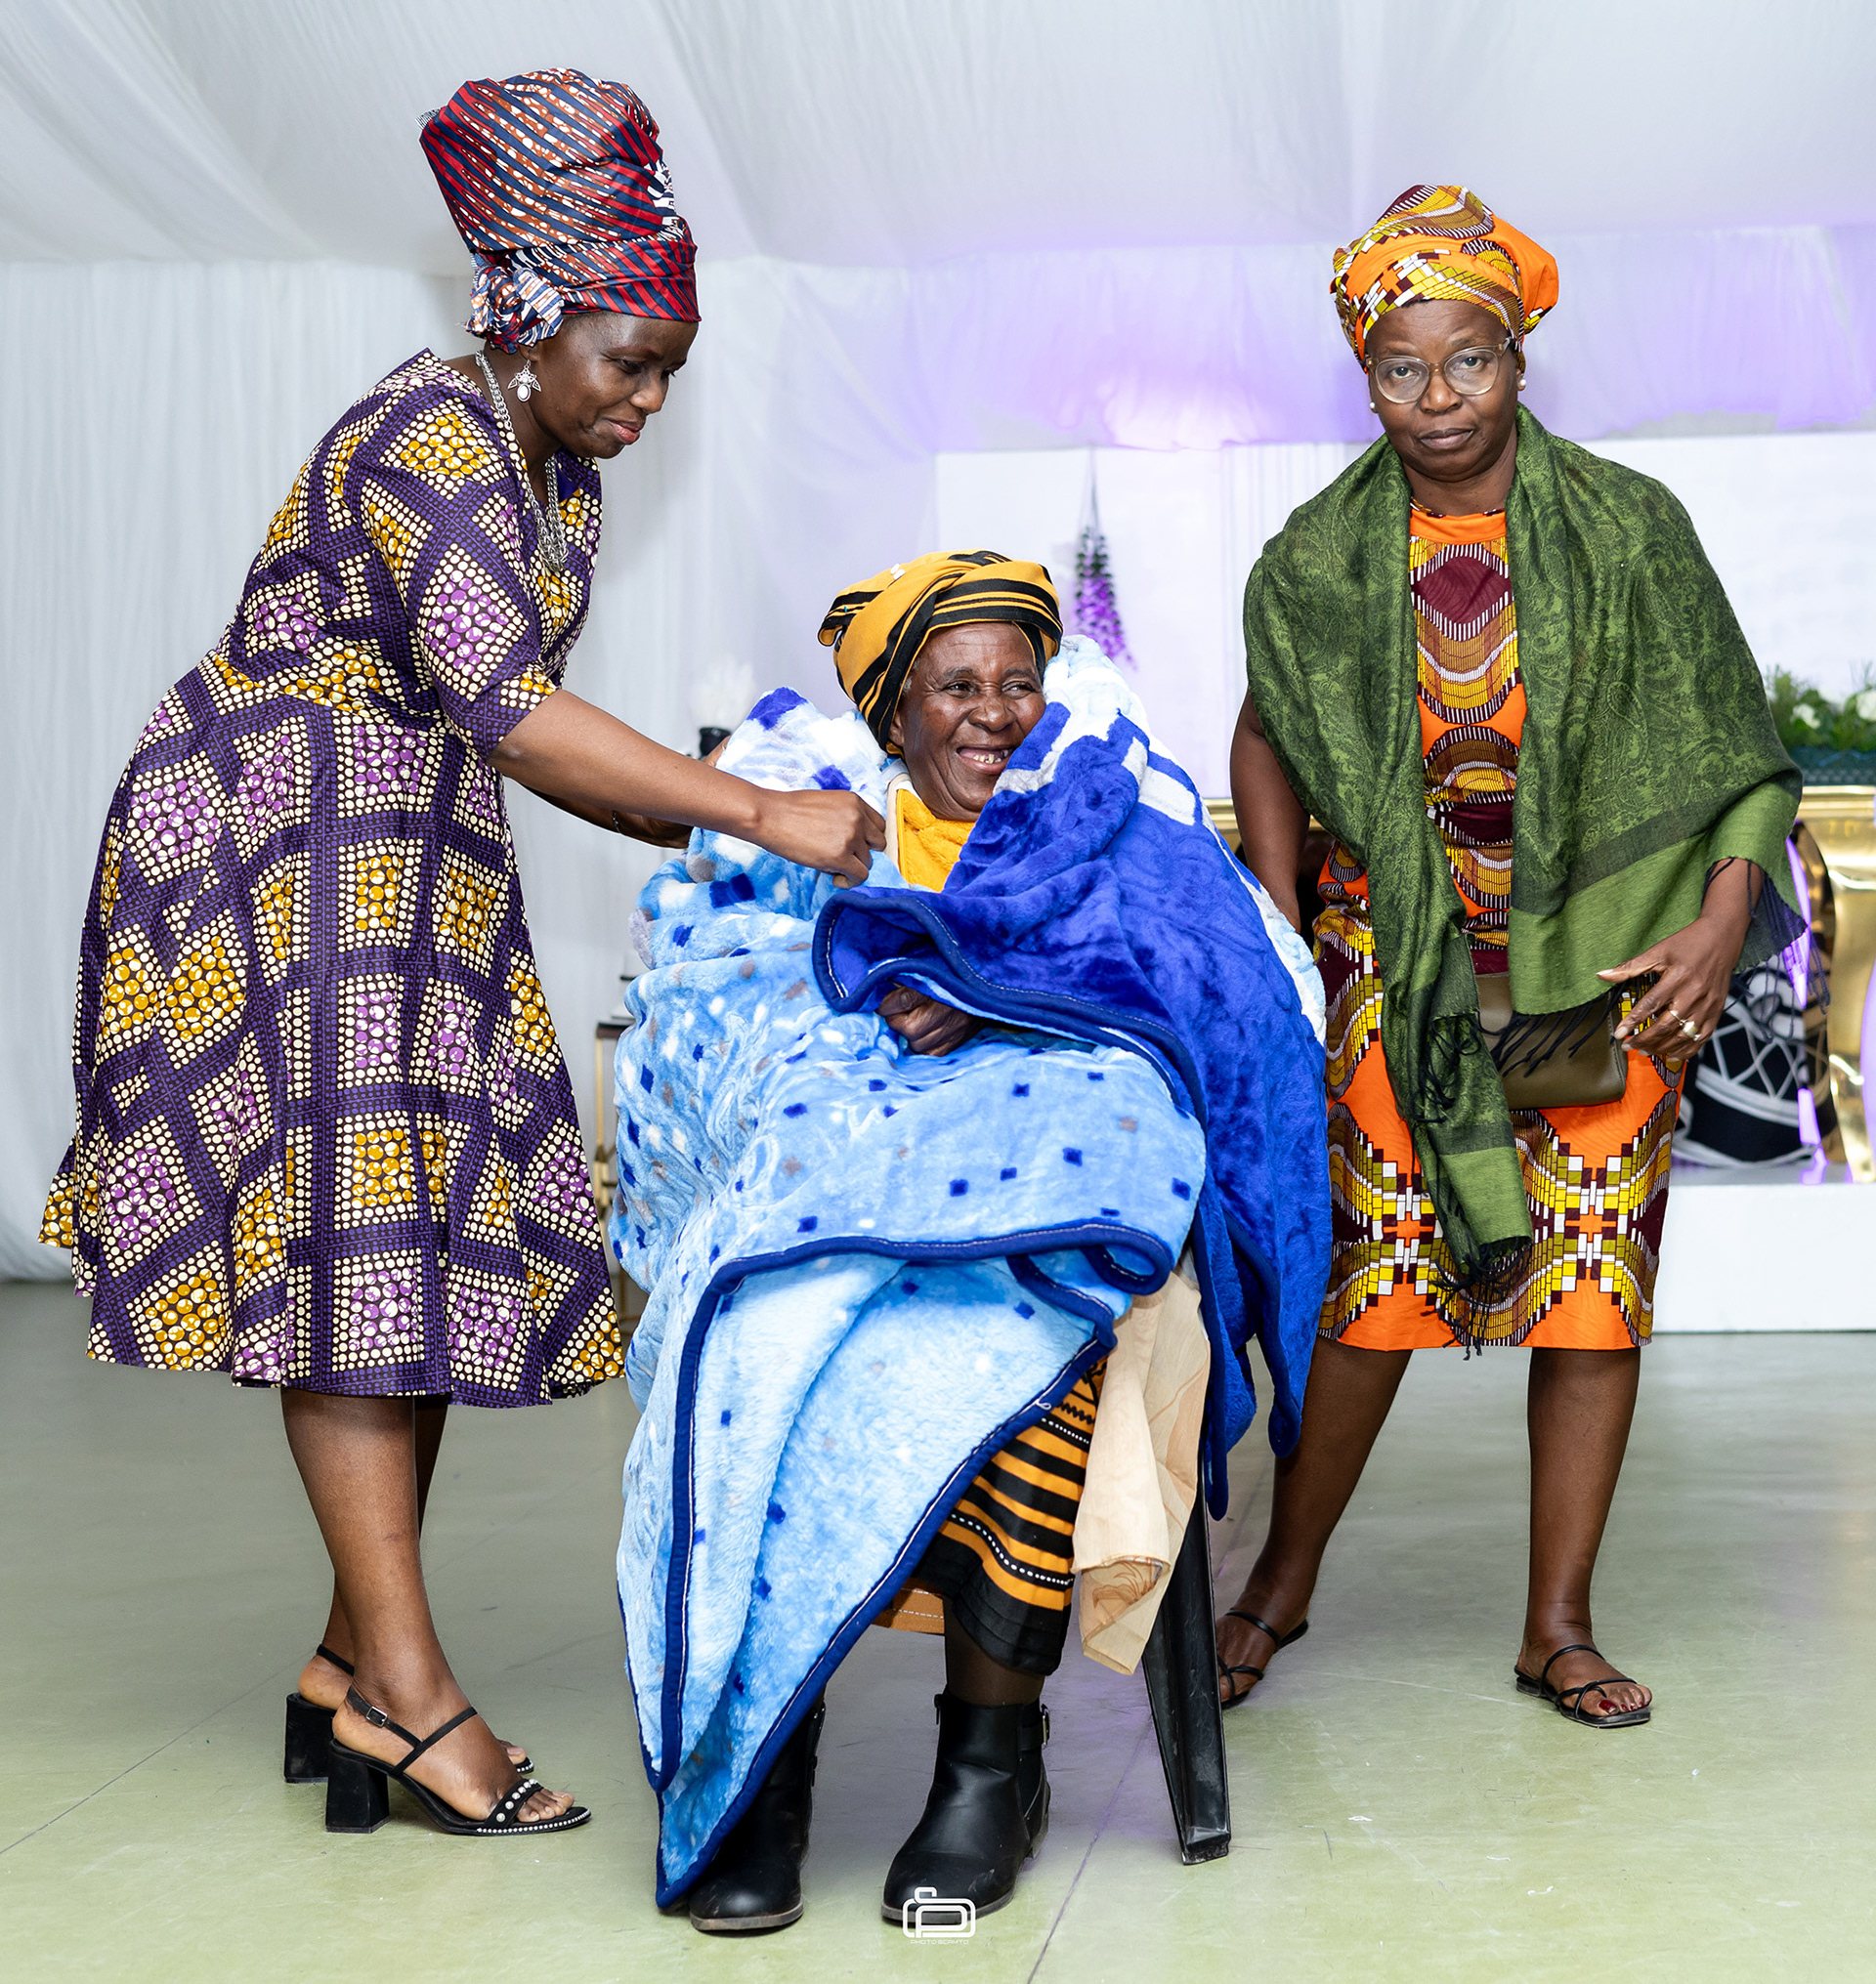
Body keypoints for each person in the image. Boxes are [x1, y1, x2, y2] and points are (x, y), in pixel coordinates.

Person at [39, 68, 880, 1841]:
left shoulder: (554, 469)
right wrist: (755, 813)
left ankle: (347, 1668)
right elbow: (513, 709)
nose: (647, 400)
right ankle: (411, 1701)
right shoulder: (428, 436)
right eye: (627, 362)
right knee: (357, 1267)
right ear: (524, 317)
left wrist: (724, 824)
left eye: (671, 370)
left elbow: (530, 738)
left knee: (414, 1254)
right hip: (277, 850)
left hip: (407, 851)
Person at [612, 553, 1328, 1928]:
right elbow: (724, 1022)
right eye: (955, 687)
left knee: (1034, 1350)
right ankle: (761, 1768)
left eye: (1017, 682)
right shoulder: (820, 846)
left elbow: (1234, 995)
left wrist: (1004, 992)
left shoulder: (1113, 828)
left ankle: (988, 1766)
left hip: (1038, 1239)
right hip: (841, 1222)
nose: (994, 712)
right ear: (893, 716)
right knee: (761, 1353)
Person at [1218, 186, 1801, 1730]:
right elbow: (1268, 728)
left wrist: (1719, 920)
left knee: (1594, 1285)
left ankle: (1559, 1628)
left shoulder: (1629, 529)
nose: (1437, 398)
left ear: (1518, 355)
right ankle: (1278, 1582)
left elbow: (1742, 757)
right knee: (1377, 1283)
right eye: (1399, 368)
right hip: (1396, 957)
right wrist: (1278, 922)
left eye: (1465, 360)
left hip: (1608, 957)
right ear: (1365, 376)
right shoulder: (1317, 556)